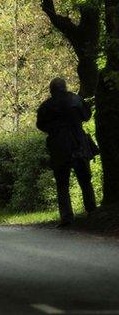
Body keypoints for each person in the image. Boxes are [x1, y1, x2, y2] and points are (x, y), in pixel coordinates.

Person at [37, 78, 97, 227]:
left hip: (58, 147)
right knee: (85, 180)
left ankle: (66, 218)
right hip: (78, 144)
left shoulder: (46, 106)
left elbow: (40, 125)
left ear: (51, 90)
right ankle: (92, 212)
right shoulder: (76, 100)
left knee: (62, 184)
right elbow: (87, 116)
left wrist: (55, 130)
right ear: (65, 87)